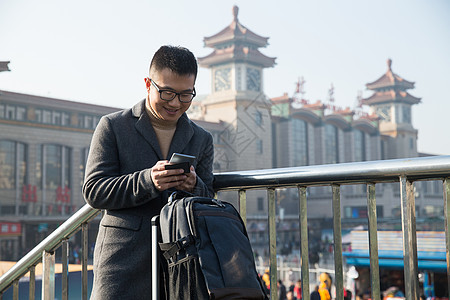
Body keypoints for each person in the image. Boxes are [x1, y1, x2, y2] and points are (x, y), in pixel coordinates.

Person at [83, 45, 214, 299]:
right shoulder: (113, 126)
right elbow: (94, 190)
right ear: (147, 83)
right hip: (122, 264)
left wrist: (194, 185)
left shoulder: (202, 139)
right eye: (166, 93)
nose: (175, 103)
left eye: (186, 95)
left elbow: (208, 197)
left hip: (179, 266)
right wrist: (149, 181)